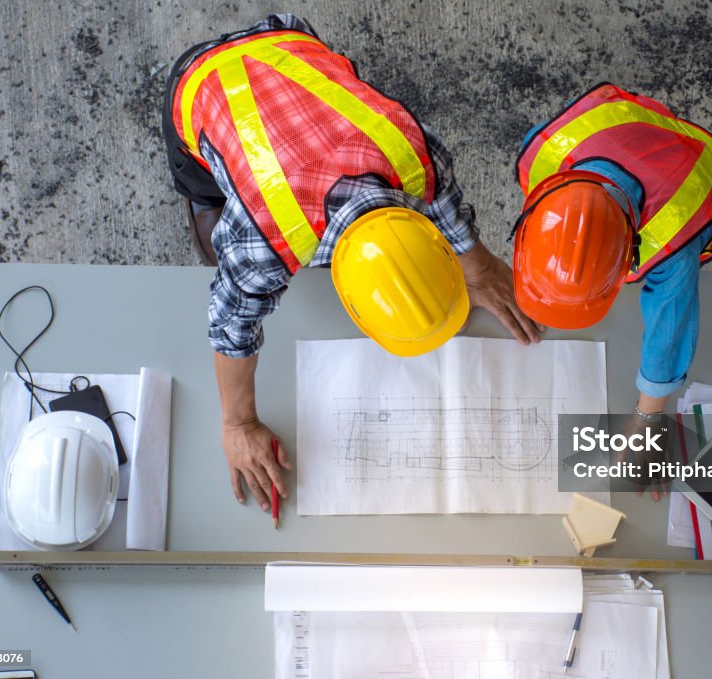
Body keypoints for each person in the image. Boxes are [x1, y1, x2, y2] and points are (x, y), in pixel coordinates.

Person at [161, 14, 540, 513]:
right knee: (214, 220)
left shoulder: (414, 153)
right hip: (202, 83)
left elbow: (444, 200)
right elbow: (231, 325)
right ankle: (212, 192)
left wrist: (480, 268)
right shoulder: (263, 238)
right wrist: (238, 423)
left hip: (288, 41)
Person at [510, 83, 712, 497]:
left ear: (626, 264)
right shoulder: (545, 151)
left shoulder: (675, 238)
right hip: (624, 135)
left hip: (693, 170)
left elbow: (670, 330)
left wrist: (647, 423)